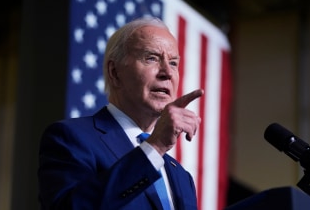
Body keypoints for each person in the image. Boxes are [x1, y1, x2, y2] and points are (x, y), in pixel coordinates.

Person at [38, 17, 203, 210]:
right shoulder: (70, 138)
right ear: (115, 72)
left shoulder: (182, 177)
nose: (167, 72)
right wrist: (156, 146)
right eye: (151, 58)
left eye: (173, 63)